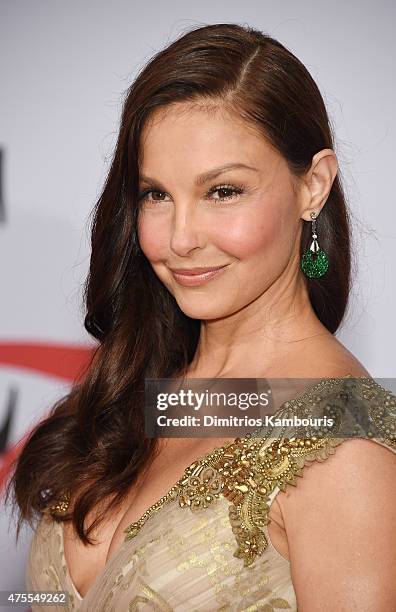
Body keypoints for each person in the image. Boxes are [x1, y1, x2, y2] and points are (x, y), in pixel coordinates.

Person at [5, 23, 396, 611]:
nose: (180, 238)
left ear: (312, 186)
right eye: (155, 194)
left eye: (223, 192)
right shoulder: (144, 393)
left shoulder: (345, 449)